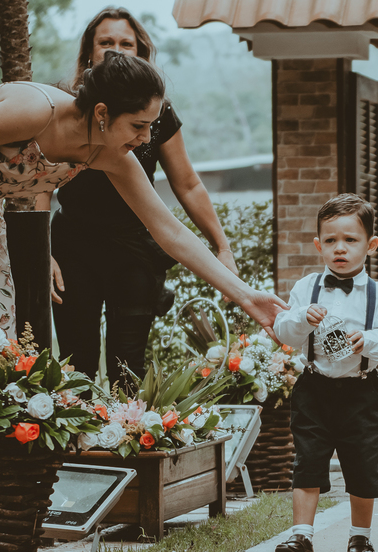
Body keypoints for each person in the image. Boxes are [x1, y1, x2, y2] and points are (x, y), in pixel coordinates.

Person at [0, 51, 286, 540]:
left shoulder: (110, 154)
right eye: (138, 126)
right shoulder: (35, 110)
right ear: (102, 114)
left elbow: (169, 233)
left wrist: (247, 296)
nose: (145, 139)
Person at [50, 7, 238, 386]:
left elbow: (187, 183)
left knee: (128, 366)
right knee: (76, 362)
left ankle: (128, 439)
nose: (116, 50)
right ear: (89, 51)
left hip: (134, 249)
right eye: (106, 42)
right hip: (73, 248)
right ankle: (77, 445)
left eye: (126, 43)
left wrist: (222, 246)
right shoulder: (67, 105)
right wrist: (43, 250)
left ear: (140, 52)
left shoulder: (155, 113)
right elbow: (32, 183)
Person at [270, 194, 378, 552]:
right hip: (314, 389)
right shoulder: (306, 289)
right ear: (318, 245)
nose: (340, 249)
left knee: (363, 465)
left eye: (350, 240)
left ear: (371, 245)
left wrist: (372, 339)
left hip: (361, 391)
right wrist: (302, 318)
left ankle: (360, 537)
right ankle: (301, 536)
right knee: (308, 460)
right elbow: (283, 331)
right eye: (331, 241)